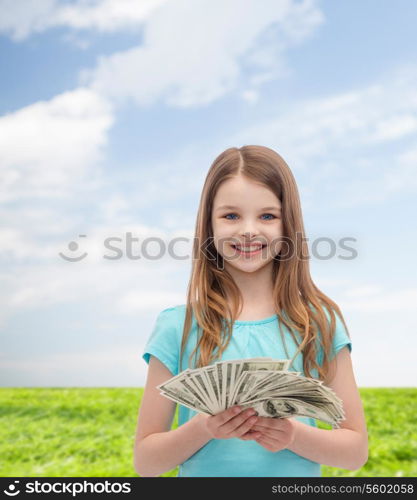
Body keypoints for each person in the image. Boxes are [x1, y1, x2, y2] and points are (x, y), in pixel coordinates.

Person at [133, 145, 368, 477]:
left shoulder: (318, 322)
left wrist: (292, 435)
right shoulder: (178, 326)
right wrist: (203, 428)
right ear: (208, 224)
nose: (247, 230)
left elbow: (354, 452)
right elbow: (146, 463)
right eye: (231, 216)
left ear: (288, 225)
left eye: (267, 216)